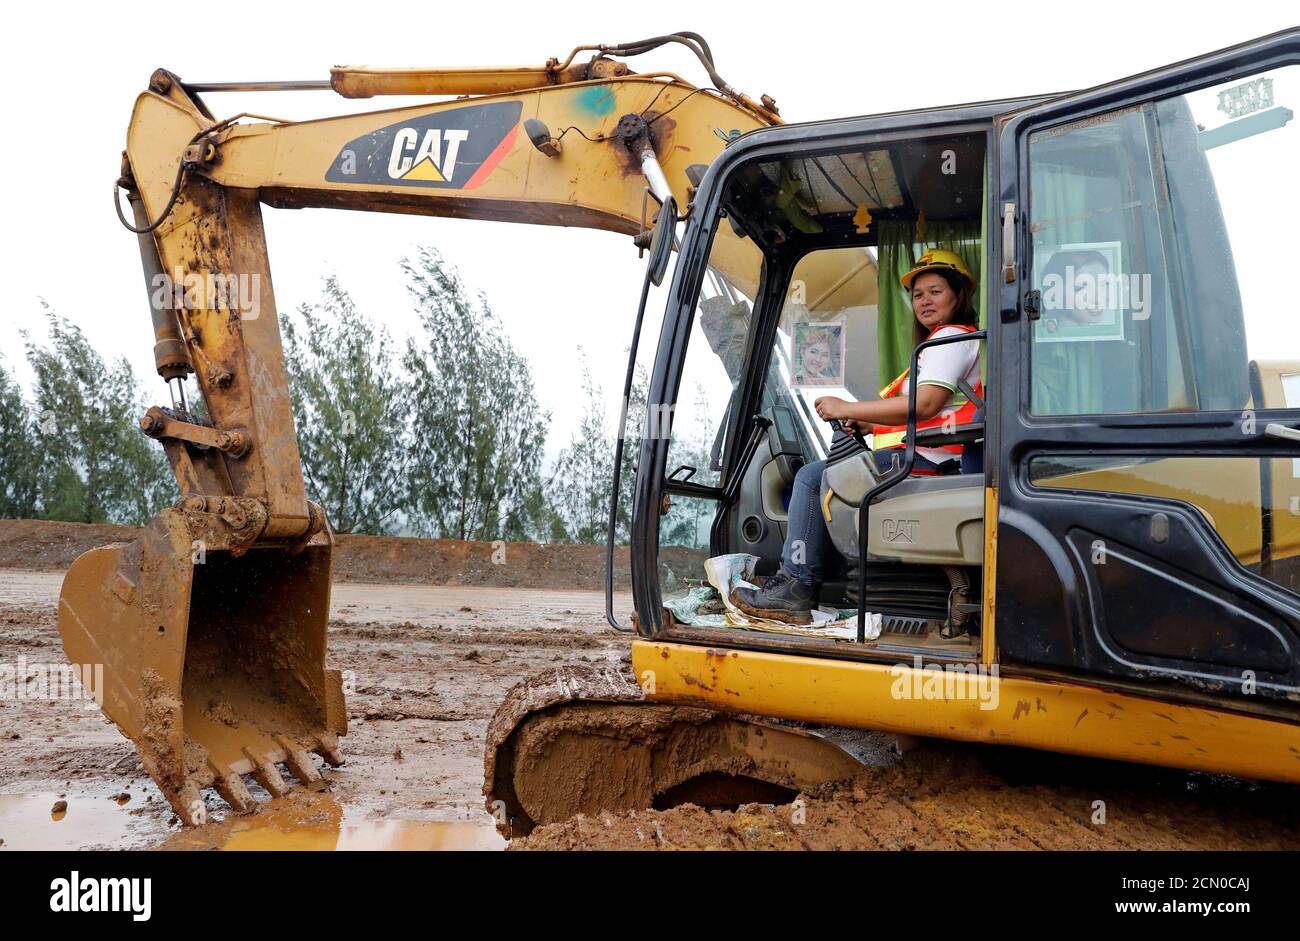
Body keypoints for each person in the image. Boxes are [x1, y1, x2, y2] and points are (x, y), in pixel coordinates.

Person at [732, 249, 983, 625]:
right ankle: (803, 581)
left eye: (935, 291)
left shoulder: (949, 338)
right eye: (918, 295)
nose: (925, 301)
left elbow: (926, 404)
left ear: (957, 295)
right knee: (827, 477)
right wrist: (871, 425)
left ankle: (795, 586)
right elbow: (925, 412)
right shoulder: (946, 344)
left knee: (814, 477)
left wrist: (846, 409)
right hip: (933, 456)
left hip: (931, 462)